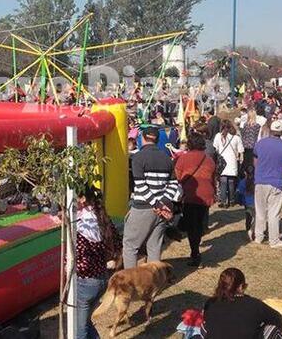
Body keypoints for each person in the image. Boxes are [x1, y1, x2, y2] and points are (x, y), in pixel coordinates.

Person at [122, 126, 182, 268]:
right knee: (154, 246)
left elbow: (141, 186)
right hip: (162, 208)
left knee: (130, 246)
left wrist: (157, 204)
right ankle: (154, 280)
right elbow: (174, 184)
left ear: (142, 138)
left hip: (143, 207)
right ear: (158, 140)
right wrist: (164, 202)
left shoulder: (138, 157)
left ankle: (131, 282)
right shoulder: (167, 158)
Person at [75, 186, 121, 339]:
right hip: (102, 279)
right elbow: (117, 242)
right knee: (86, 322)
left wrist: (68, 265)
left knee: (79, 328)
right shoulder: (102, 218)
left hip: (86, 282)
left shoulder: (82, 225)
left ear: (82, 199)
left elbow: (83, 263)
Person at [201, 267, 282, 338]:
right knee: (271, 330)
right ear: (241, 287)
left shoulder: (210, 303)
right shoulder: (254, 304)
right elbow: (278, 321)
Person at [174, 132, 215, 267]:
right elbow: (213, 178)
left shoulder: (184, 159)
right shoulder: (209, 160)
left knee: (192, 227)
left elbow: (178, 177)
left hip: (191, 195)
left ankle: (195, 253)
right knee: (198, 223)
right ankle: (195, 249)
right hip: (205, 194)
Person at [253, 120, 282, 248]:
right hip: (276, 182)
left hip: (260, 180)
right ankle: (274, 240)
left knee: (260, 211)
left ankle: (259, 236)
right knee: (274, 212)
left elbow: (255, 162)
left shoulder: (260, 144)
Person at [213, 120, 243, 208]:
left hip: (222, 161)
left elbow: (216, 148)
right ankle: (232, 200)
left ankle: (223, 200)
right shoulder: (236, 137)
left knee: (223, 181)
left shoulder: (218, 136)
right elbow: (241, 150)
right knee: (231, 182)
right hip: (232, 161)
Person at [237, 164, 256, 241]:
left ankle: (248, 230)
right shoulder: (257, 181)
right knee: (256, 217)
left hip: (247, 202)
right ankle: (255, 231)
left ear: (245, 172)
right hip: (256, 202)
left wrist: (240, 201)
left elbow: (240, 192)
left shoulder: (242, 182)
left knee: (248, 217)